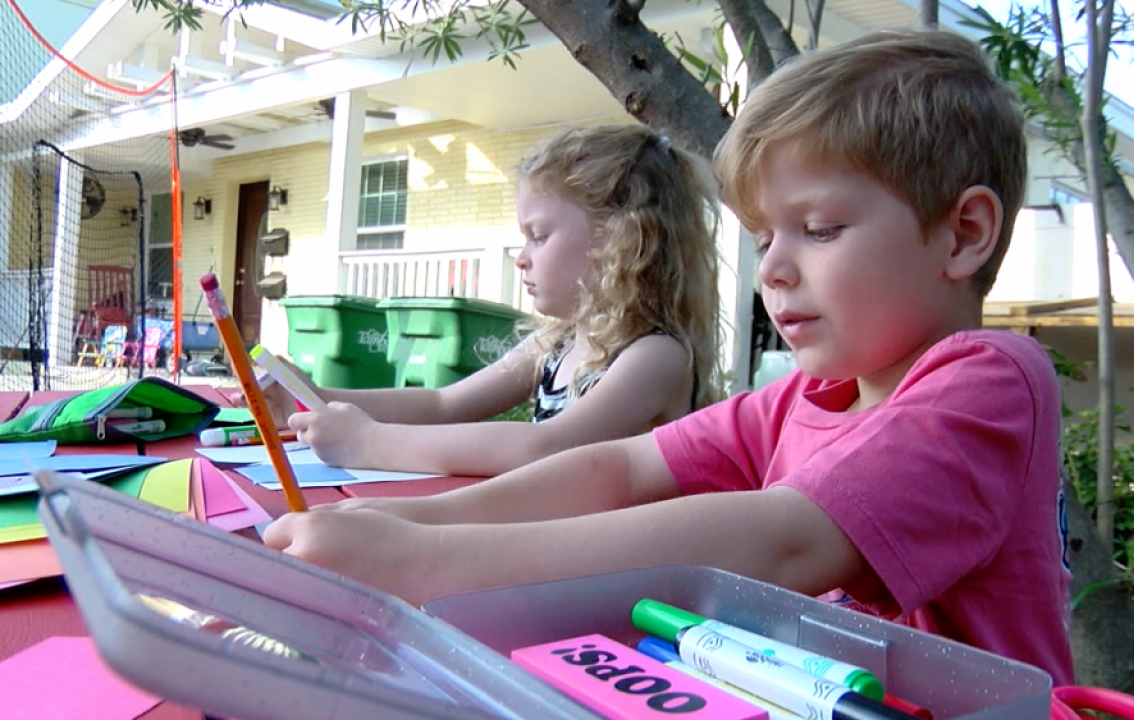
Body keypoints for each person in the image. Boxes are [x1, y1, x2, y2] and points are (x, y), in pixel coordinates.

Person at [265, 30, 1074, 686]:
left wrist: (431, 563)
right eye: (764, 239)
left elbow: (784, 540)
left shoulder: (989, 381)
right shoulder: (804, 399)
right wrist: (406, 519)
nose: (775, 269)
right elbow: (614, 470)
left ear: (963, 233)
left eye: (820, 229)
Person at [273, 124, 723, 477]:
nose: (522, 259)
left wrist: (371, 442)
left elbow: (543, 448)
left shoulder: (654, 357)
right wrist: (310, 396)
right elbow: (443, 405)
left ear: (622, 240)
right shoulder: (559, 343)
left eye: (540, 236)